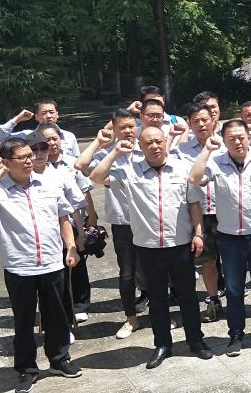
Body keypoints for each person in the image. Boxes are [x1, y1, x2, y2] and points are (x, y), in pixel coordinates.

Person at [0, 139, 82, 393]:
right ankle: (27, 369)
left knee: (57, 317)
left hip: (51, 263)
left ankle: (60, 359)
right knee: (24, 321)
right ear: (6, 162)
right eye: (23, 157)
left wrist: (70, 246)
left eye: (31, 155)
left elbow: (63, 217)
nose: (30, 160)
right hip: (19, 267)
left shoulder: (48, 183)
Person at [89, 127, 213, 369]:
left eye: (158, 141)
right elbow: (96, 176)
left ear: (166, 141)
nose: (154, 146)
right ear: (140, 146)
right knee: (156, 298)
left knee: (187, 296)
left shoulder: (183, 168)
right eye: (148, 143)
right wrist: (115, 151)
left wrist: (199, 233)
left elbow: (193, 204)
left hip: (180, 244)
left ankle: (195, 341)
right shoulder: (129, 171)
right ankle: (162, 344)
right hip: (148, 247)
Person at [190, 121, 251, 356]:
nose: (237, 141)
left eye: (241, 136)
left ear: (249, 136)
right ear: (224, 141)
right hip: (230, 238)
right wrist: (207, 150)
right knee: (233, 289)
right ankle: (236, 334)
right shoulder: (216, 162)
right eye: (231, 138)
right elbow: (194, 178)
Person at [73, 109, 149, 338]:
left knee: (154, 270)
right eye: (122, 127)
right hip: (123, 223)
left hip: (149, 221)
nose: (128, 131)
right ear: (114, 129)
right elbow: (81, 166)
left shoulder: (147, 148)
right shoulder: (107, 153)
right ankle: (131, 318)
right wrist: (102, 143)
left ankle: (158, 314)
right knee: (127, 272)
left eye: (131, 126)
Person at [28, 124, 97, 323]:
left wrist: (81, 233)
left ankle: (75, 309)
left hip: (66, 228)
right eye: (35, 149)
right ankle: (53, 317)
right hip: (38, 235)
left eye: (44, 148)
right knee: (48, 278)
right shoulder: (23, 176)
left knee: (73, 269)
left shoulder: (62, 173)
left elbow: (74, 205)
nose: (41, 152)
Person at [172, 104, 224, 323]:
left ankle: (236, 299)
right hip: (199, 213)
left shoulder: (227, 144)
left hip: (227, 212)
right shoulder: (181, 151)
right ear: (189, 124)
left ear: (214, 120)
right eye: (196, 121)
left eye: (205, 119)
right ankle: (213, 301)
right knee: (207, 261)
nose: (201, 124)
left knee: (233, 261)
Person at [0, 98, 81, 157]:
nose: (48, 116)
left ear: (57, 114)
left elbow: (76, 161)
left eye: (51, 112)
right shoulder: (26, 136)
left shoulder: (69, 136)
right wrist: (17, 119)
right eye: (44, 113)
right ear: (36, 116)